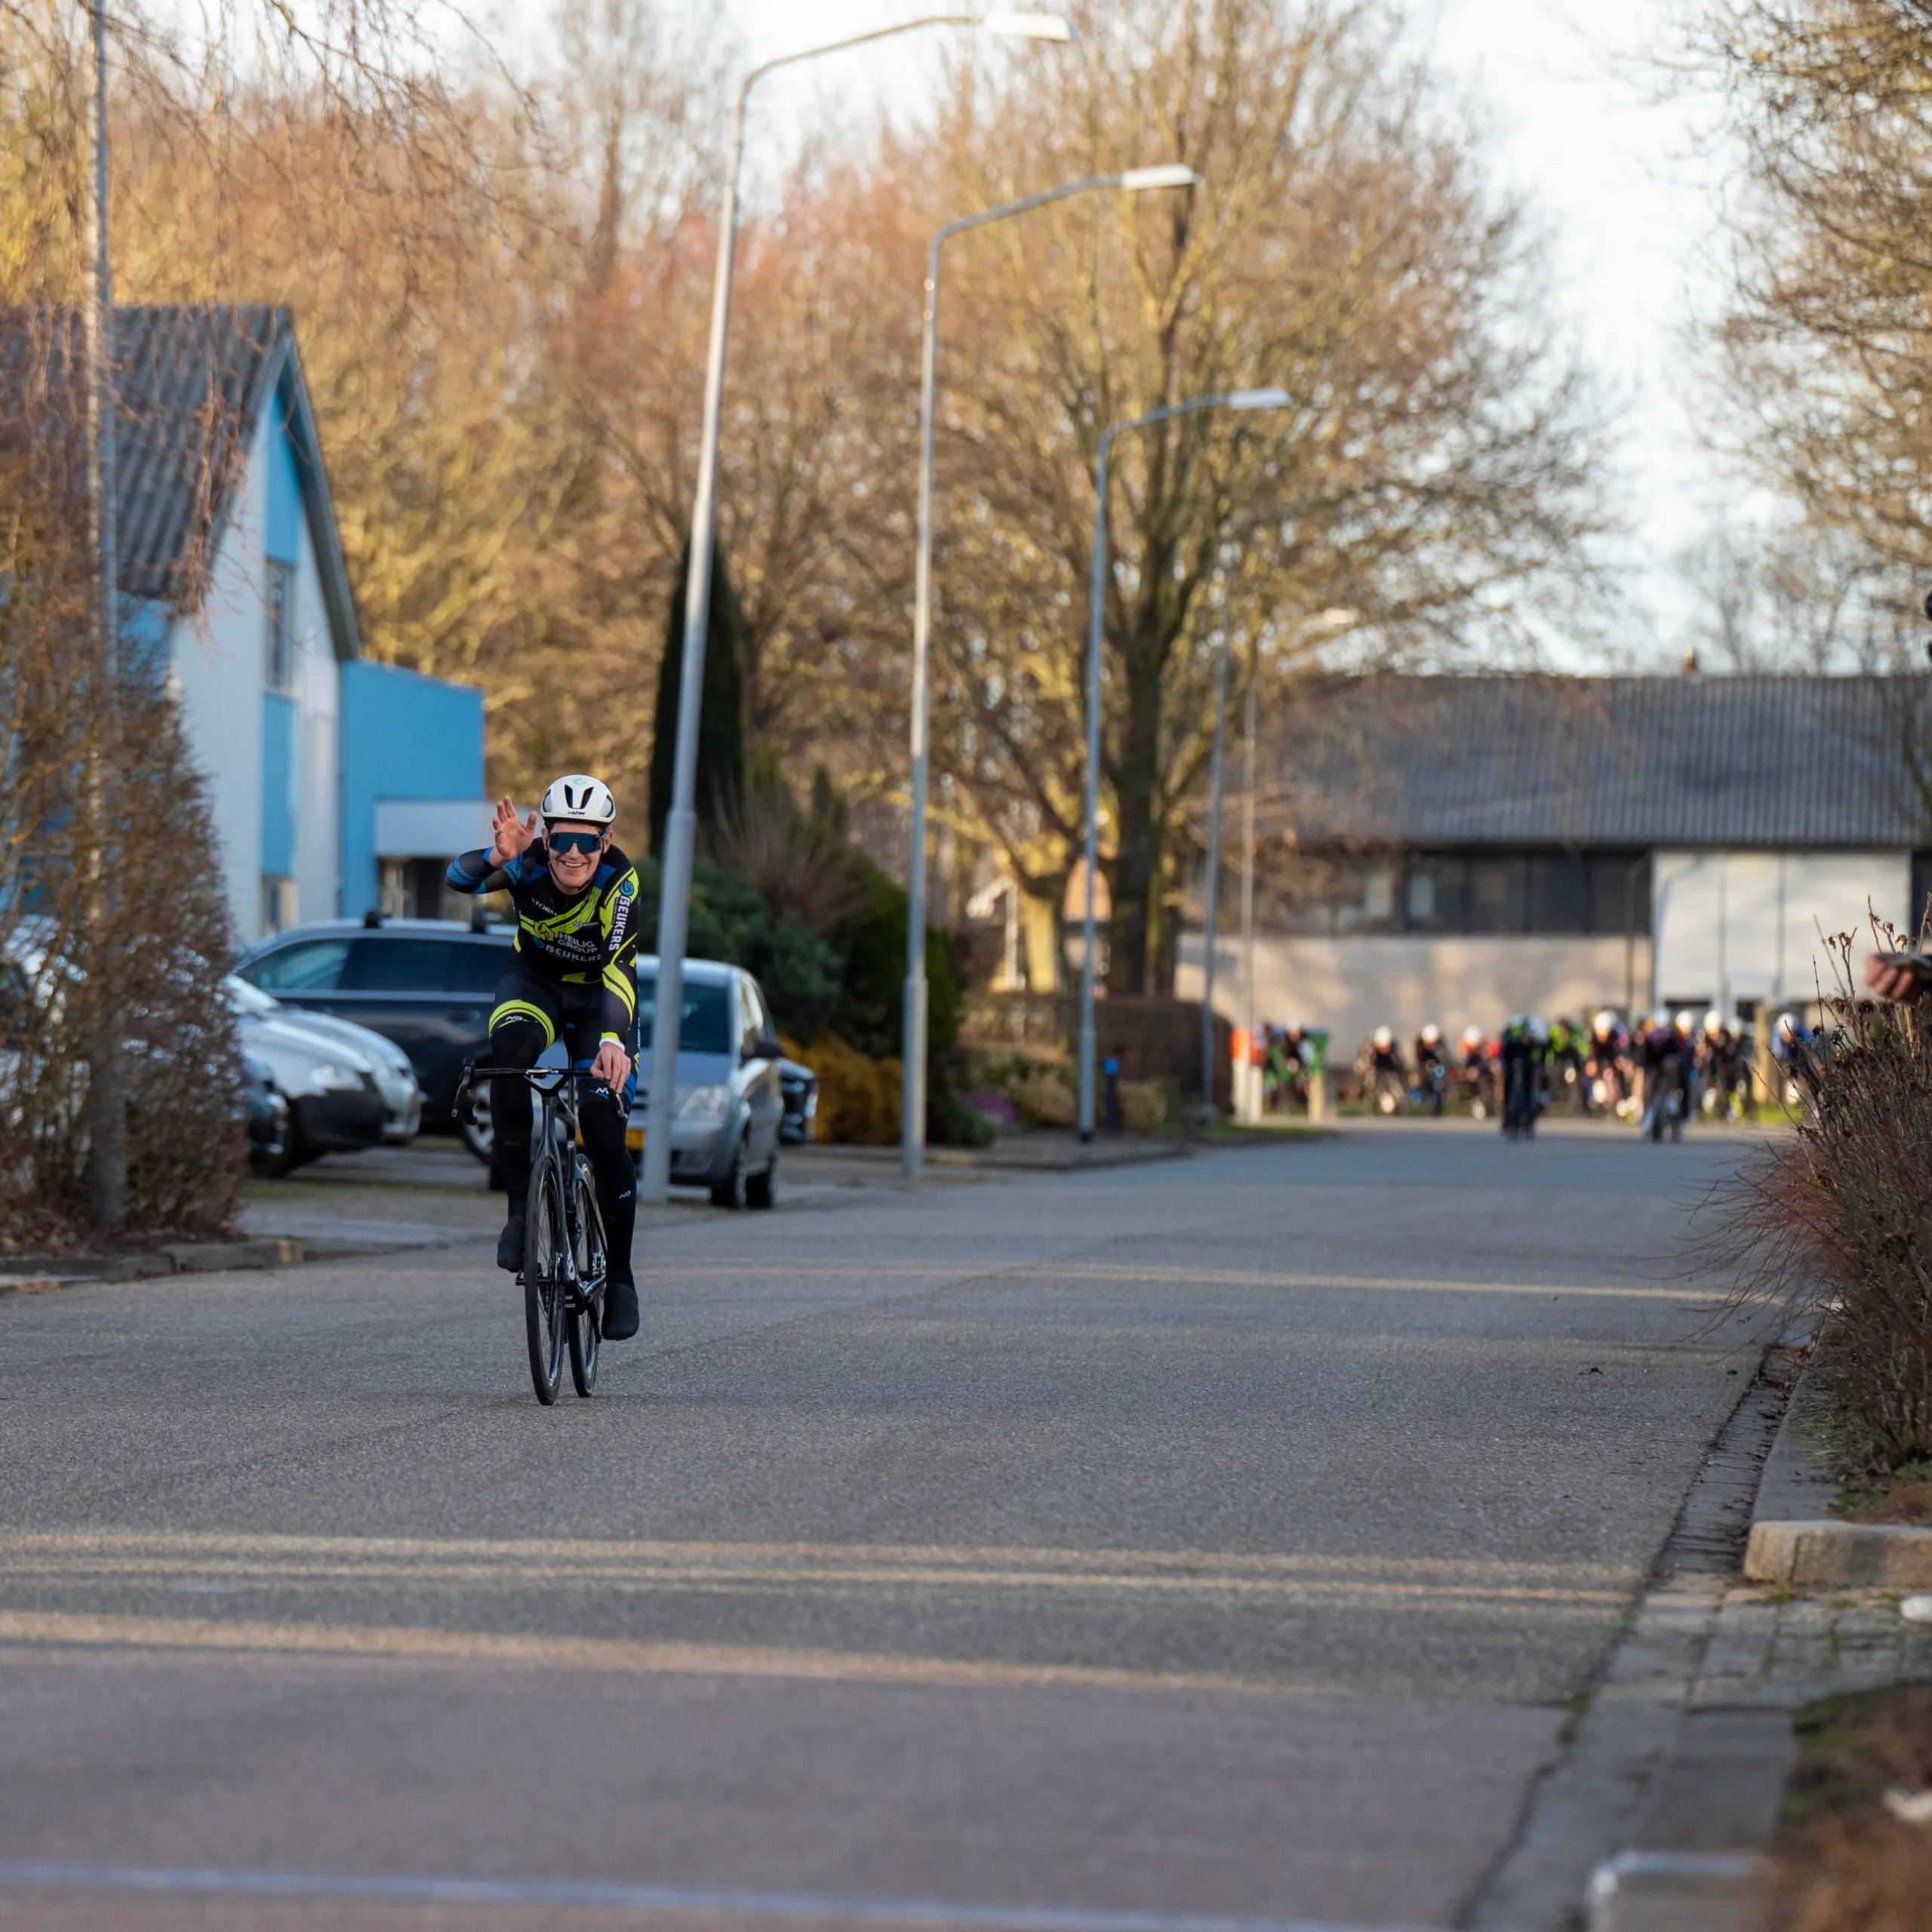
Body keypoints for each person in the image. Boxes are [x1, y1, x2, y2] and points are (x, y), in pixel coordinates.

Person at [447, 775, 642, 1341]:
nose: (573, 855)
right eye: (562, 841)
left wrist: (612, 1043)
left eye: (587, 842)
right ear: (548, 839)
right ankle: (517, 1211)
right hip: (534, 984)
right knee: (508, 1056)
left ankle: (623, 1280)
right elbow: (456, 880)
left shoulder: (619, 882)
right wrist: (493, 857)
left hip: (600, 999)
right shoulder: (526, 863)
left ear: (605, 844)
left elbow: (620, 970)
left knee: (602, 1124)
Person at [1414, 1022, 1447, 1115]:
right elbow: (1419, 1060)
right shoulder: (1419, 1045)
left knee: (1441, 1077)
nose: (1431, 1046)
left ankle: (1440, 1098)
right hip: (1425, 1065)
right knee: (1421, 1080)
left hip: (1437, 1065)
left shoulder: (1440, 1045)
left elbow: (1445, 1058)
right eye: (1429, 1043)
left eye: (1434, 1043)